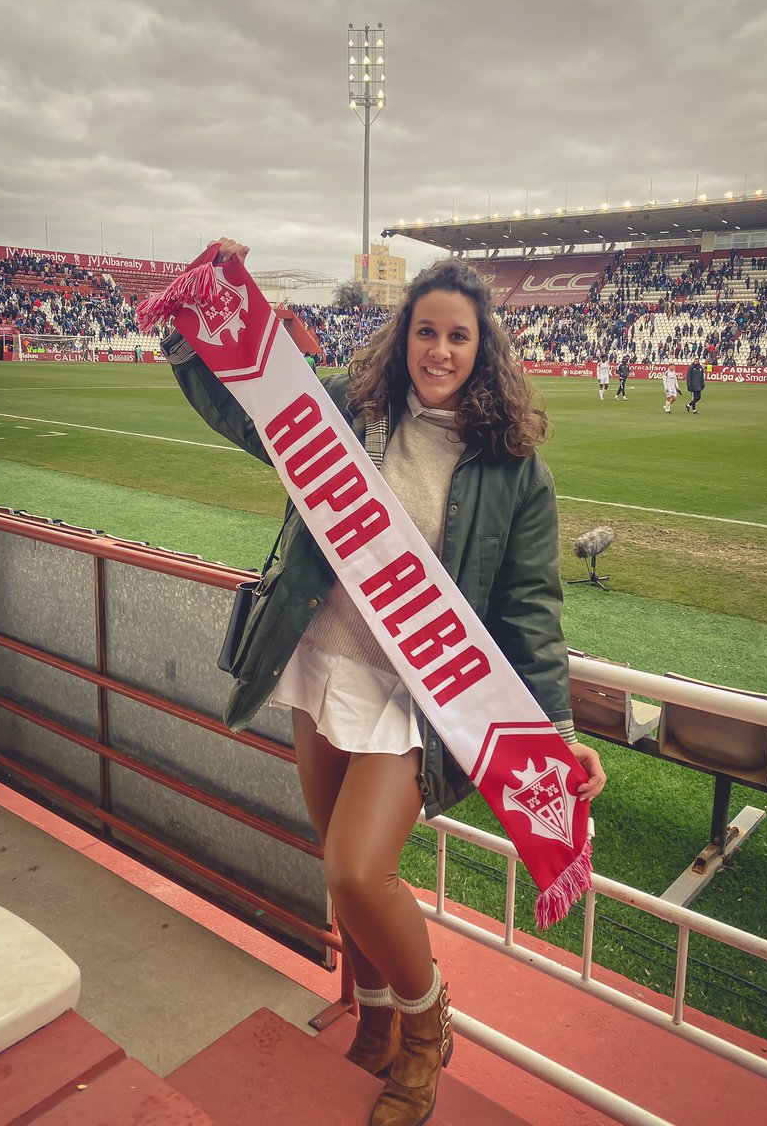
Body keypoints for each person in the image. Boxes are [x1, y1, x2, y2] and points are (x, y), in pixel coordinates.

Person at [161, 238, 606, 1126]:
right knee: (340, 872)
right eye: (426, 332)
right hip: (320, 662)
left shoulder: (517, 473)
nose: (439, 351)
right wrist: (188, 334)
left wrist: (552, 727)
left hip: (418, 695)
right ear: (404, 337)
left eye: (459, 338)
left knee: (358, 869)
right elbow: (249, 415)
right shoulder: (348, 415)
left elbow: (530, 613)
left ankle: (427, 1026)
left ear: (485, 354)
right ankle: (370, 1018)